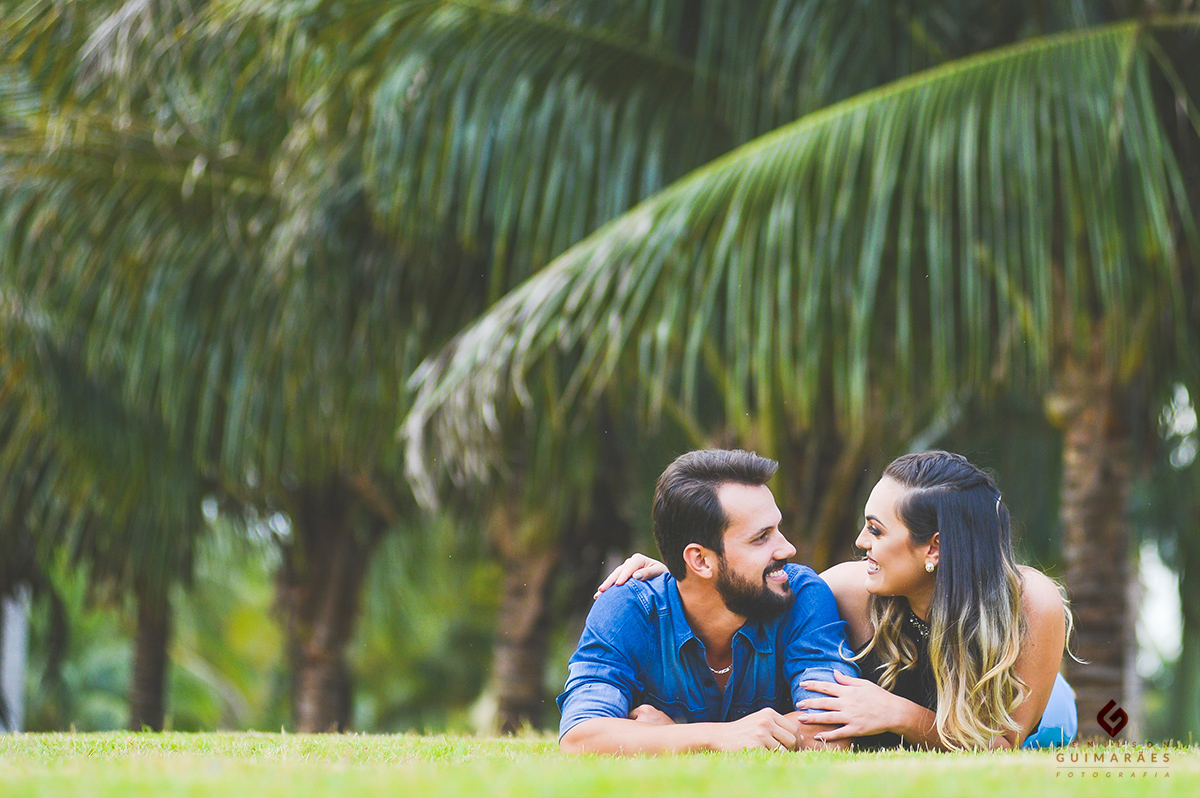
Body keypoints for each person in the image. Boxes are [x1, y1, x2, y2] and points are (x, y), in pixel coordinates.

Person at [597, 450, 1078, 750]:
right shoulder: (848, 591)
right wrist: (679, 579)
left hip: (1039, 710)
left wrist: (903, 716)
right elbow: (755, 596)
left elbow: (1002, 742)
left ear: (934, 548)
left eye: (876, 529)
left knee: (1055, 725)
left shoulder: (1030, 605)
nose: (860, 541)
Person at [558, 449, 858, 754]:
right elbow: (580, 735)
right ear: (700, 560)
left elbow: (834, 727)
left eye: (777, 530)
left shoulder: (802, 594)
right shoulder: (629, 608)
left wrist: (674, 736)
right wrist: (718, 737)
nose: (788, 549)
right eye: (761, 538)